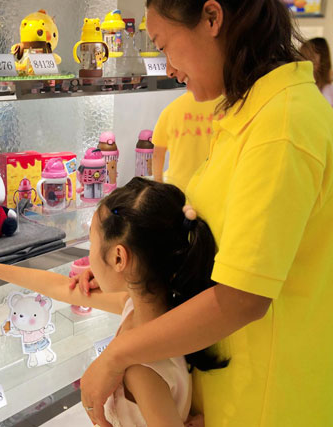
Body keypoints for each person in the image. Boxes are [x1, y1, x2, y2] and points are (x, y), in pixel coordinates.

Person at [73, 1, 333, 426]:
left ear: (212, 18)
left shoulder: (281, 125)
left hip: (265, 402)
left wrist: (115, 356)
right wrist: (127, 263)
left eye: (164, 45)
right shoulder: (250, 113)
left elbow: (242, 298)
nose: (169, 68)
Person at [0, 178, 227, 426]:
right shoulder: (152, 309)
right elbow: (57, 287)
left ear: (118, 258)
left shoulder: (141, 370)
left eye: (92, 245)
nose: (89, 258)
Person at [152, 91, 222, 191]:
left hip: (178, 186)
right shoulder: (225, 106)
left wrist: (158, 184)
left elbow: (157, 155)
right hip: (215, 184)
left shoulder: (170, 110)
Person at [299, 37, 333, 106]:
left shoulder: (329, 90)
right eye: (302, 57)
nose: (303, 62)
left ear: (323, 59)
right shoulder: (302, 87)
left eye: (310, 57)